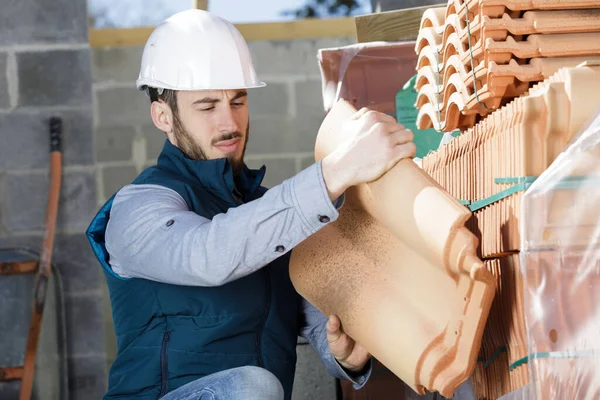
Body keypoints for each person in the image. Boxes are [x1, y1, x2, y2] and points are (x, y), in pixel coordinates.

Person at [86, 9, 416, 400]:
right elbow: (209, 254)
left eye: (238, 101)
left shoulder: (267, 216)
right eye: (207, 107)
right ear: (163, 116)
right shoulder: (138, 208)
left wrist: (348, 355)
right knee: (252, 386)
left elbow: (318, 326)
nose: (229, 123)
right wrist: (333, 173)